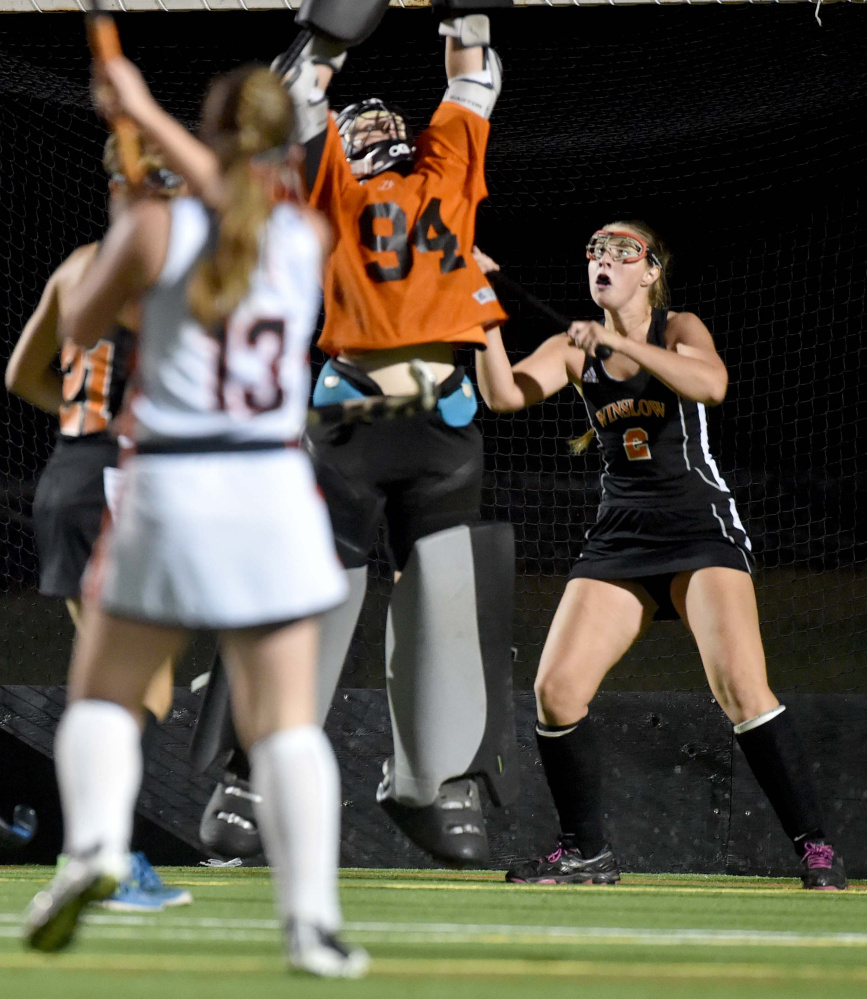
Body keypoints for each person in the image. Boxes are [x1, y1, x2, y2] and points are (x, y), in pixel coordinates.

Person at [23, 57, 369, 977]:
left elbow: (83, 331)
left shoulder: (153, 228)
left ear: (208, 138)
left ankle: (94, 844)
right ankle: (311, 921)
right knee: (287, 724)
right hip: (269, 490)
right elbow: (234, 206)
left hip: (168, 488)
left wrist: (130, 188)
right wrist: (145, 129)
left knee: (103, 695)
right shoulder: (304, 236)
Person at [225, 9, 518, 867]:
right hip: (349, 420)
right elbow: (297, 101)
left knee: (448, 601)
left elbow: (471, 76)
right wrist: (324, 40)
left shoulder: (447, 177)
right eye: (364, 120)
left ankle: (437, 779)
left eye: (393, 117)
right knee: (314, 598)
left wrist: (464, 15)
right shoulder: (324, 188)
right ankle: (256, 767)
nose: (381, 124)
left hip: (441, 424)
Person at [472, 226, 847, 890]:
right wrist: (473, 305)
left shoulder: (678, 326)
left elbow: (711, 384)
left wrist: (618, 340)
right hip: (618, 535)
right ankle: (584, 850)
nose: (603, 261)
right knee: (555, 693)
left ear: (650, 273)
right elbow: (502, 394)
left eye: (621, 252)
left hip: (698, 528)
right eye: (593, 251)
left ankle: (814, 846)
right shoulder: (571, 347)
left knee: (740, 689)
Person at [5, 137, 190, 912]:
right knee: (138, 683)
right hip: (121, 484)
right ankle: (96, 849)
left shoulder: (78, 262)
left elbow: (20, 375)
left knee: (121, 676)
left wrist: (86, 425)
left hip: (69, 477)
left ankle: (96, 846)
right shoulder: (158, 268)